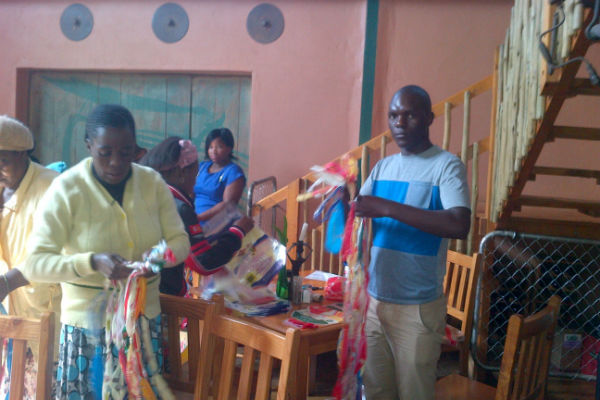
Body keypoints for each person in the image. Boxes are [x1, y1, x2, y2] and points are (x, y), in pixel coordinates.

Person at [20, 104, 190, 399]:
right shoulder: (66, 189)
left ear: (136, 150)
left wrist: (157, 260)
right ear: (89, 146)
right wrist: (91, 261)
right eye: (104, 152)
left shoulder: (152, 184)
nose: (115, 162)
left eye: (126, 152)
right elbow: (35, 264)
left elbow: (180, 241)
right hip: (85, 331)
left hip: (141, 326)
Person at [355, 85, 471, 400]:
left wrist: (387, 207)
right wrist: (342, 202)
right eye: (393, 116)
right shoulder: (383, 167)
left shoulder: (446, 166)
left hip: (417, 309)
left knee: (414, 394)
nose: (400, 124)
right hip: (377, 304)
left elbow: (459, 223)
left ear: (429, 119)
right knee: (377, 391)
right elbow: (362, 207)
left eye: (410, 115)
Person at [140, 136, 254, 296]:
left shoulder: (152, 194)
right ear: (182, 172)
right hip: (161, 298)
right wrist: (238, 231)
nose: (195, 181)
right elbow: (204, 263)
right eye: (195, 175)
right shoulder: (178, 208)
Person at [0, 116, 62, 398]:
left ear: (23, 153)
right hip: (11, 315)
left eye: (3, 160)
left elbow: (55, 251)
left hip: (46, 311)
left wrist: (8, 282)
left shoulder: (52, 188)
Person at [194, 128, 246, 221]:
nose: (214, 151)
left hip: (215, 223)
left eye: (219, 147)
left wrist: (199, 218)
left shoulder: (233, 172)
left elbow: (227, 205)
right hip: (193, 217)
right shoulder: (202, 167)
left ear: (229, 148)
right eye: (210, 147)